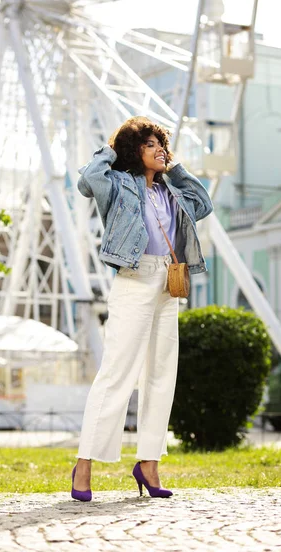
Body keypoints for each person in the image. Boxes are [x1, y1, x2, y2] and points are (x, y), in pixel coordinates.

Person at [71, 116, 213, 502]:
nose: (159, 151)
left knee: (161, 375)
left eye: (161, 145)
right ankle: (85, 463)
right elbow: (86, 181)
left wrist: (176, 167)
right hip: (134, 281)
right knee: (118, 372)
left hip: (167, 282)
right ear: (135, 151)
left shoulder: (171, 190)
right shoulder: (119, 184)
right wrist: (112, 150)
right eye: (151, 146)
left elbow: (204, 203)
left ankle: (148, 461)